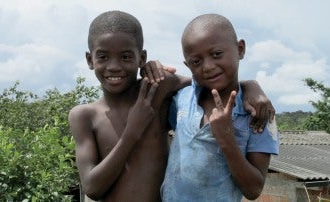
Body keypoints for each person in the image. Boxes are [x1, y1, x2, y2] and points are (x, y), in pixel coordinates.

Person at [69, 10, 274, 202]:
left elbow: (204, 80)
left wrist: (250, 86)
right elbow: (92, 188)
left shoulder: (158, 90)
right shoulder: (84, 116)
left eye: (125, 57)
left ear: (141, 58)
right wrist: (132, 131)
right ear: (89, 59)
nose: (114, 66)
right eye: (103, 57)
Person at [160, 14, 279, 202]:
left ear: (240, 49)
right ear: (187, 65)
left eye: (216, 54)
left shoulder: (258, 113)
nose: (207, 67)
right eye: (196, 62)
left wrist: (226, 140)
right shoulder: (182, 99)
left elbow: (254, 190)